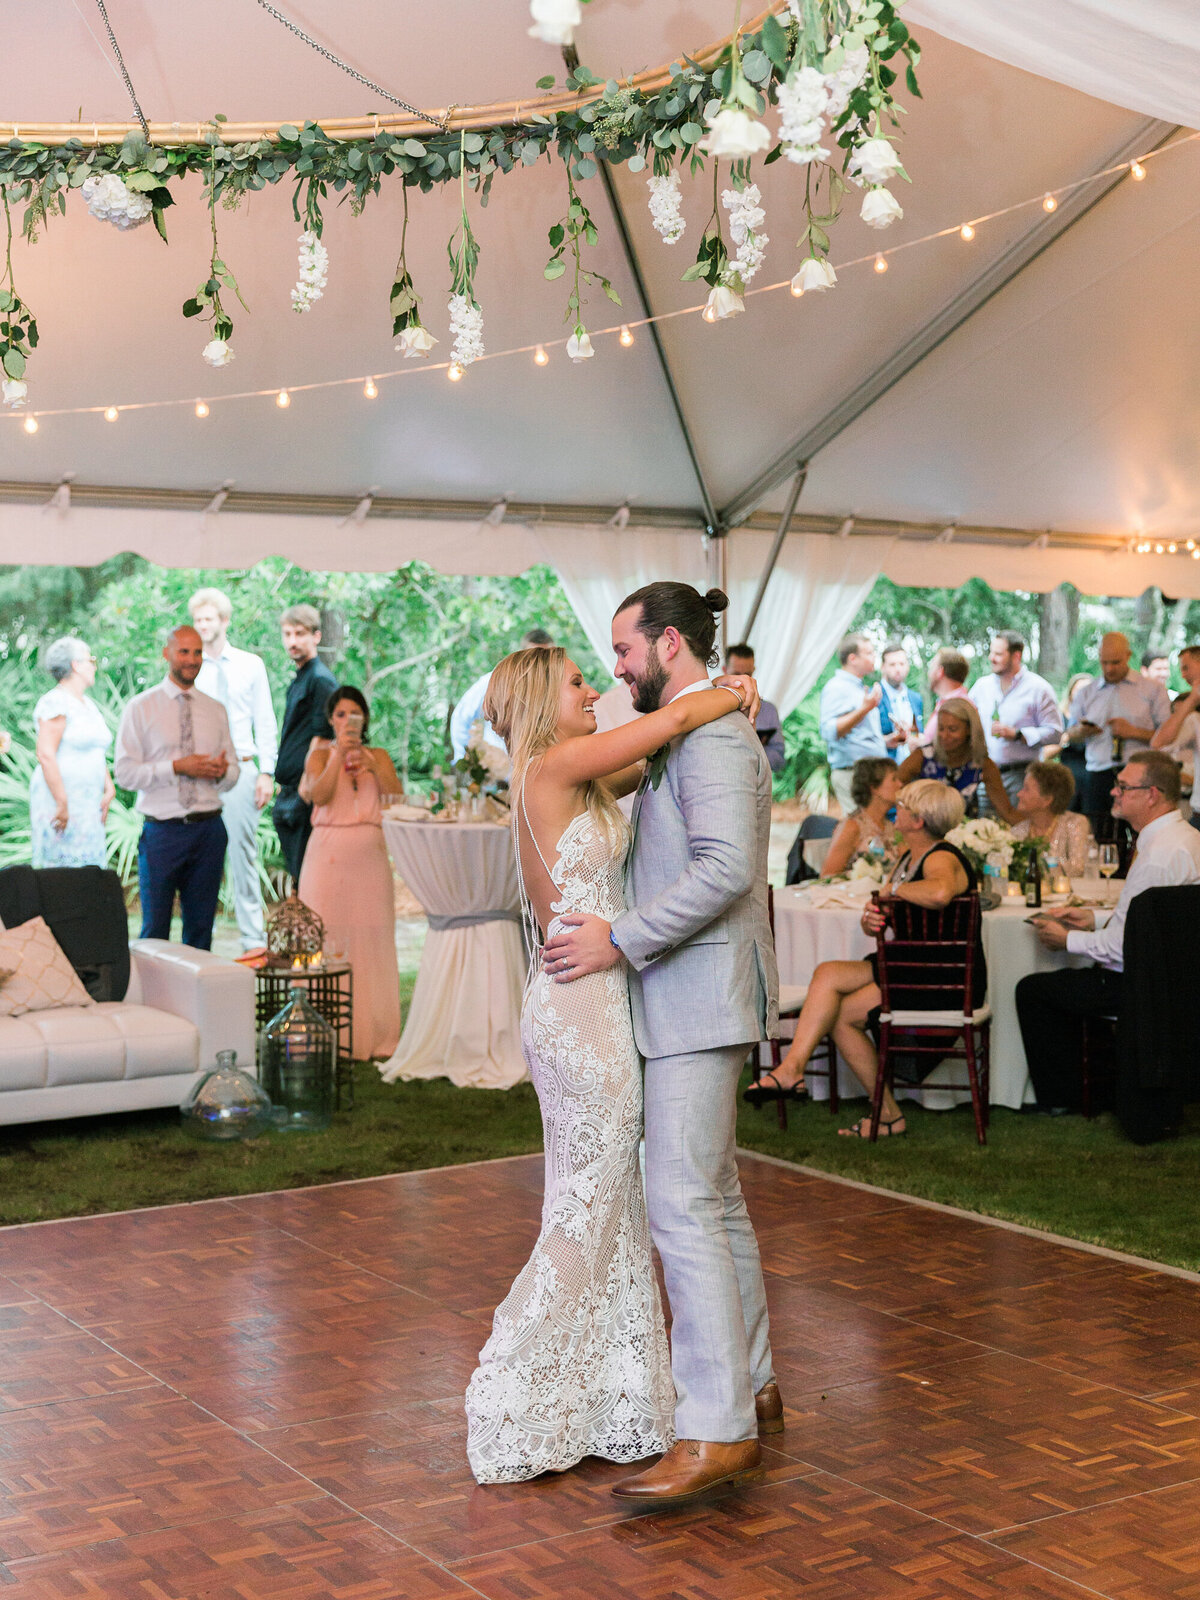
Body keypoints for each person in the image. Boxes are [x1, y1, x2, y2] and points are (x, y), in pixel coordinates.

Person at [464, 619, 765, 1492]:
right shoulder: (551, 769)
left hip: (599, 996)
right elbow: (669, 726)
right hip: (580, 1008)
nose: (594, 690)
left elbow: (656, 762)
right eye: (574, 686)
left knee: (616, 1196)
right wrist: (731, 689)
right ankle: (518, 1385)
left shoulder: (583, 774)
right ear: (535, 709)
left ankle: (616, 1393)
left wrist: (715, 705)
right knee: (592, 1198)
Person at [754, 780, 975, 1136]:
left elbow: (940, 892)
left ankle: (795, 1071)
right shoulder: (907, 858)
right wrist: (873, 918)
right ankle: (874, 1107)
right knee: (833, 992)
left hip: (940, 978)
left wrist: (891, 891)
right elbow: (890, 919)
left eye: (901, 806)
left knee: (835, 995)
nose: (894, 811)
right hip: (909, 967)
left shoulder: (942, 856)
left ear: (917, 820)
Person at [1016, 750, 1200, 1114]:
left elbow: (1122, 949)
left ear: (1152, 795)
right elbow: (1152, 923)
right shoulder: (1185, 838)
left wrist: (1066, 938)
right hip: (1176, 978)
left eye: (1123, 787)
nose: (1113, 792)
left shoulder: (1158, 856)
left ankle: (1064, 1097)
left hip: (1144, 988)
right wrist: (1094, 920)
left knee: (1034, 989)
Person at [114, 625, 238, 950]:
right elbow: (124, 774)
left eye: (197, 652)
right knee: (154, 930)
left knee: (201, 931)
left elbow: (234, 772)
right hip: (162, 834)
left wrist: (222, 772)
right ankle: (152, 1002)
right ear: (166, 654)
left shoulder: (216, 710)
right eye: (184, 651)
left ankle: (195, 1002)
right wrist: (176, 767)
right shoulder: (140, 708)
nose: (191, 660)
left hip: (209, 830)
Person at [298, 686, 402, 1061]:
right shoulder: (317, 753)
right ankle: (323, 1032)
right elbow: (319, 795)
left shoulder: (380, 755)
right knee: (328, 939)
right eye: (340, 714)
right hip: (326, 857)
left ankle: (376, 1034)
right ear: (331, 719)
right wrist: (336, 753)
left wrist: (374, 767)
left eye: (354, 715)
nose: (347, 721)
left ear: (365, 719)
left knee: (372, 939)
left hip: (370, 859)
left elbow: (396, 800)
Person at [190, 587, 278, 951]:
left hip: (242, 769)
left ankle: (253, 940)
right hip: (201, 776)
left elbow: (265, 719)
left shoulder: (249, 664)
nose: (202, 625)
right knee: (199, 858)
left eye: (208, 619)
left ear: (224, 621)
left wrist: (267, 772)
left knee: (243, 854)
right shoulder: (189, 667)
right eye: (197, 620)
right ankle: (198, 942)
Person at [1065, 632, 1171, 848]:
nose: (1109, 668)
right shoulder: (1087, 691)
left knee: (1142, 838)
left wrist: (1134, 732)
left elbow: (1168, 736)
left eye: (1115, 662)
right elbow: (1069, 733)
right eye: (1104, 662)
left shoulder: (1152, 689)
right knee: (1101, 837)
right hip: (1099, 774)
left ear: (1128, 656)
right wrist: (1082, 732)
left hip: (1139, 776)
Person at [29, 637, 114, 869]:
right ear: (76, 664)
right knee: (60, 875)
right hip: (61, 801)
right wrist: (62, 803)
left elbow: (95, 749)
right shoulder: (55, 702)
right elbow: (46, 753)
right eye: (91, 660)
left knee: (89, 873)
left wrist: (109, 787)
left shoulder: (89, 705)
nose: (94, 665)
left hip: (88, 804)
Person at [273, 604, 338, 885]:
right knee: (299, 877)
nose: (293, 641)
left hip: (304, 793)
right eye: (287, 634)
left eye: (300, 633)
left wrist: (305, 790)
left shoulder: (321, 680)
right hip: (288, 790)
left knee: (308, 880)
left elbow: (322, 738)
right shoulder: (299, 679)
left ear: (317, 636)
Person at [969, 631, 1063, 808]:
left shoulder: (1038, 688)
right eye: (991, 652)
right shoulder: (982, 686)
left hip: (1022, 775)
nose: (991, 658)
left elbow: (1056, 733)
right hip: (987, 773)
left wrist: (1018, 734)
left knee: (1018, 829)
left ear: (1016, 656)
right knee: (984, 830)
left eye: (998, 654)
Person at [450, 628, 554, 760]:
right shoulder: (497, 681)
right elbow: (462, 717)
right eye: (535, 656)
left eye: (548, 656)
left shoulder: (556, 688)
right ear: (521, 655)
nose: (541, 663)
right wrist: (466, 761)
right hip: (497, 770)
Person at [897, 697, 1007, 817]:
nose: (944, 735)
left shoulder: (982, 764)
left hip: (964, 832)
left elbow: (1006, 810)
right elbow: (893, 790)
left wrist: (1027, 829)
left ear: (969, 729)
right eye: (941, 728)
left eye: (952, 729)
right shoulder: (923, 756)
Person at [819, 633, 887, 815]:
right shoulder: (836, 687)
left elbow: (859, 737)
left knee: (871, 832)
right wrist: (864, 709)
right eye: (869, 652)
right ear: (852, 658)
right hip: (853, 774)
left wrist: (888, 741)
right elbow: (829, 731)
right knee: (861, 833)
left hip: (869, 773)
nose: (874, 657)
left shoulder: (859, 688)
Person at [819, 756, 900, 878]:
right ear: (874, 788)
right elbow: (828, 875)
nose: (900, 784)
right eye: (894, 779)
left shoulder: (892, 826)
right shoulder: (852, 827)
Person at [1006, 760, 1092, 875]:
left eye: (1026, 789)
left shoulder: (1075, 823)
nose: (1019, 794)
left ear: (1047, 800)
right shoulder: (1018, 831)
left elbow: (1078, 868)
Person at [1151, 643, 1200, 824]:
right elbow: (1159, 743)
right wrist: (1192, 698)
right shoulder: (1194, 718)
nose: (1183, 675)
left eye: (1186, 668)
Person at [725, 642, 785, 772]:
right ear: (725, 671)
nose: (742, 681)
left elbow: (779, 759)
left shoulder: (769, 711)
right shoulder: (713, 709)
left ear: (753, 671)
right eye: (736, 675)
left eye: (747, 675)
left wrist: (749, 753)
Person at [877, 642, 924, 761]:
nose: (898, 669)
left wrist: (911, 735)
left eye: (902, 664)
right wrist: (887, 740)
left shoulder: (916, 698)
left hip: (913, 766)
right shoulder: (874, 696)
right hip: (884, 766)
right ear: (883, 667)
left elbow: (918, 732)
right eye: (892, 664)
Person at [920, 646, 971, 750]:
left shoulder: (957, 707)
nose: (929, 673)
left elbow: (950, 749)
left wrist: (919, 746)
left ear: (940, 671)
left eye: (932, 666)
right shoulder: (950, 703)